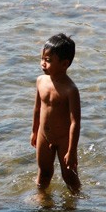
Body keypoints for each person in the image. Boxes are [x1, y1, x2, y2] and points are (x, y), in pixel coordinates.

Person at [30, 33, 81, 193]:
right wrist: (34, 131)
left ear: (65, 64)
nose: (43, 64)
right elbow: (37, 108)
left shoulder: (70, 90)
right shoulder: (40, 81)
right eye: (42, 59)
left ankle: (74, 202)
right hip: (43, 135)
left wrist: (72, 151)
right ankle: (42, 200)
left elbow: (75, 122)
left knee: (69, 176)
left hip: (64, 139)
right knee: (43, 172)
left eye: (48, 60)